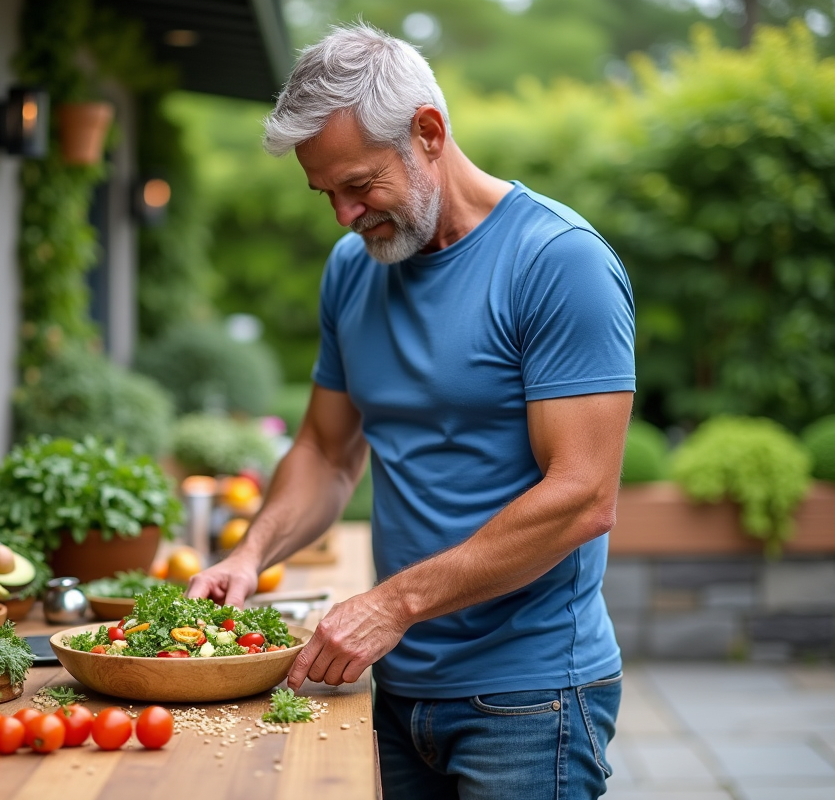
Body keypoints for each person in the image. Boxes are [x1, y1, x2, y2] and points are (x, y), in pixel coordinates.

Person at [186, 22, 634, 800]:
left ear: (428, 132)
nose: (344, 217)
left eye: (359, 186)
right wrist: (251, 553)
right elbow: (327, 452)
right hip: (390, 690)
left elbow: (584, 498)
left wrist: (391, 605)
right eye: (326, 193)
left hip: (529, 700)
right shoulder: (351, 271)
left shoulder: (558, 262)